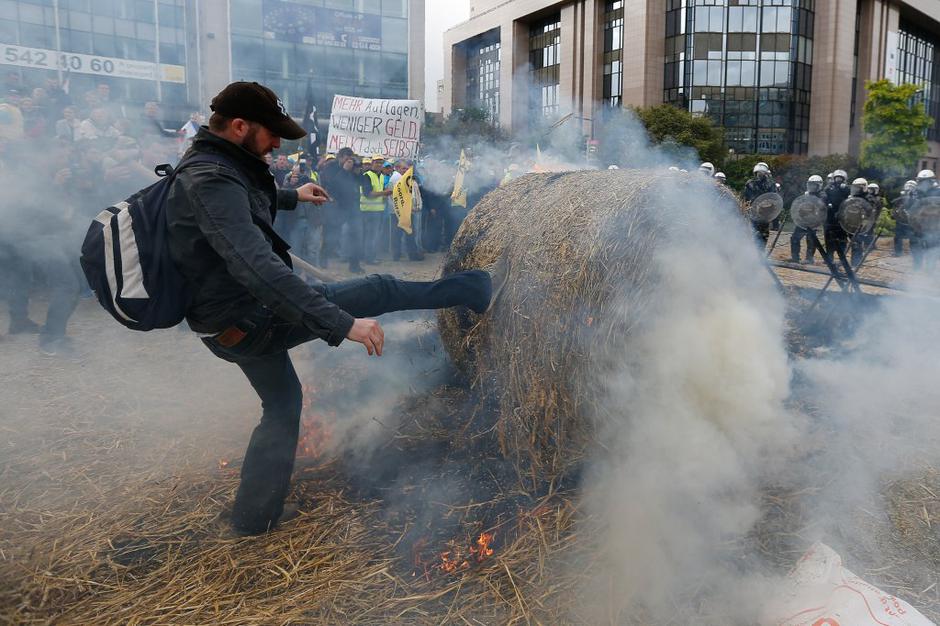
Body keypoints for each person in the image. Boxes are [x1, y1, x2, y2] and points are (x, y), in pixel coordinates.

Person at [164, 82, 494, 536]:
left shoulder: (213, 167)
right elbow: (257, 268)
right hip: (249, 318)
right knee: (378, 289)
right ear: (240, 127)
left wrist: (291, 195)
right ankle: (478, 288)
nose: (278, 143)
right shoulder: (211, 179)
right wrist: (342, 324)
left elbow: (238, 205)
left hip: (227, 325)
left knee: (282, 405)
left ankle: (253, 518)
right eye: (271, 133)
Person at [359, 155, 391, 264]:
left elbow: (379, 191)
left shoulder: (381, 176)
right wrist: (384, 193)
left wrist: (385, 192)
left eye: (381, 163)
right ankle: (369, 258)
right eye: (377, 162)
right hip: (368, 211)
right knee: (370, 236)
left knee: (374, 235)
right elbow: (368, 194)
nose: (379, 165)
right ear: (372, 163)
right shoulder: (366, 176)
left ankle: (370, 256)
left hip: (379, 210)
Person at [790, 175, 826, 265]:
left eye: (814, 185)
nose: (811, 187)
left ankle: (809, 259)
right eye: (810, 184)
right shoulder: (806, 194)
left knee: (811, 240)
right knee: (794, 238)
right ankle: (795, 258)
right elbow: (800, 205)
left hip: (813, 221)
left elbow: (820, 207)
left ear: (819, 185)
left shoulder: (822, 195)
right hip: (803, 220)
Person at [743, 162, 777, 246]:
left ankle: (760, 253)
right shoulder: (750, 184)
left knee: (763, 235)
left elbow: (773, 198)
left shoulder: (770, 184)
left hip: (765, 213)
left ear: (765, 173)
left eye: (761, 173)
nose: (759, 175)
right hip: (753, 212)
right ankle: (752, 252)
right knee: (752, 233)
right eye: (758, 173)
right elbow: (745, 197)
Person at [824, 169, 851, 259]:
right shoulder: (828, 188)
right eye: (837, 178)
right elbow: (824, 197)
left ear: (844, 179)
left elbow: (850, 200)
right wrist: (827, 204)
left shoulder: (847, 188)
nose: (838, 180)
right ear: (834, 178)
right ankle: (829, 256)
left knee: (842, 237)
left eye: (840, 178)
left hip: (842, 216)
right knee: (828, 237)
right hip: (830, 215)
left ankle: (842, 257)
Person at [893, 180, 917, 257]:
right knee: (897, 236)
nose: (909, 187)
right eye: (908, 185)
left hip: (912, 221)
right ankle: (898, 252)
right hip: (901, 220)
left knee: (913, 237)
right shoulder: (901, 196)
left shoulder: (916, 197)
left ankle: (914, 253)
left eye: (911, 186)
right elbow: (896, 205)